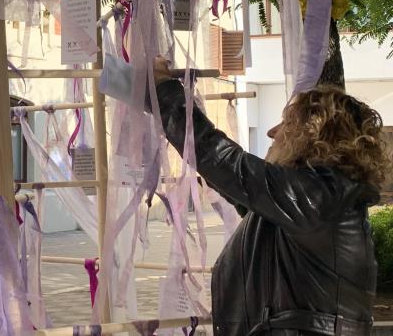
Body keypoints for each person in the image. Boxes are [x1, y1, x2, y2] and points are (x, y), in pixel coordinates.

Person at [153, 56, 389, 336]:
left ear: (314, 136)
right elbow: (236, 183)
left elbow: (230, 167)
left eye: (287, 123)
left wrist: (164, 91)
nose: (272, 132)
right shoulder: (314, 200)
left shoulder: (320, 197)